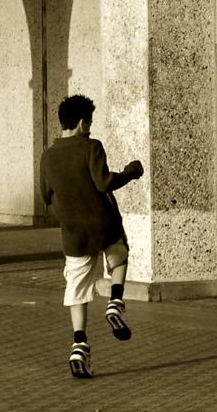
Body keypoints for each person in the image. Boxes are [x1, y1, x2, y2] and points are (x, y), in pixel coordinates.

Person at [40, 94, 144, 378]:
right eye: (91, 122)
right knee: (119, 256)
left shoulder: (47, 156)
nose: (91, 128)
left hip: (73, 233)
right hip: (103, 223)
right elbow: (104, 182)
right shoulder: (91, 146)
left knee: (76, 288)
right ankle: (115, 303)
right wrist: (130, 172)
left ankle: (79, 344)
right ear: (83, 122)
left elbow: (45, 196)